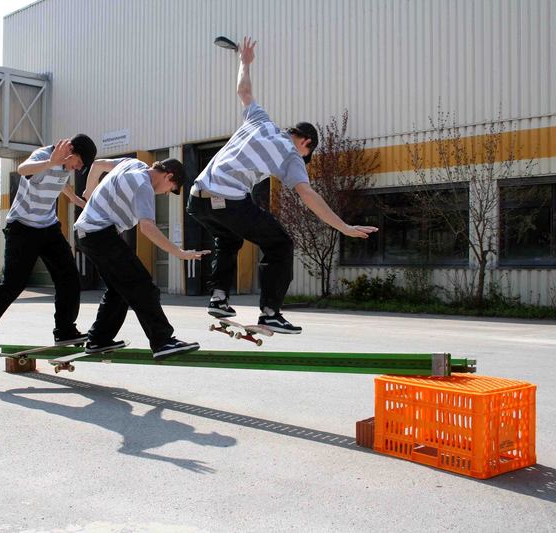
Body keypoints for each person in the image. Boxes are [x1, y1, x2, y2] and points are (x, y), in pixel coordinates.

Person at [187, 37, 378, 333]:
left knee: (228, 239)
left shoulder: (261, 119)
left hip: (198, 197)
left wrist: (245, 62)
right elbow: (308, 194)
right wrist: (343, 227)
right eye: (307, 154)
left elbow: (244, 90)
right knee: (280, 244)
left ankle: (219, 296)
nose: (304, 160)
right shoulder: (291, 154)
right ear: (306, 143)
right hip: (228, 199)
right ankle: (270, 312)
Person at [0, 135, 97, 348]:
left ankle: (65, 331)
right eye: (78, 163)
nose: (75, 168)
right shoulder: (44, 156)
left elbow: (60, 183)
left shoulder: (64, 165)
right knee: (13, 283)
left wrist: (76, 199)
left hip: (48, 226)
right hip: (22, 227)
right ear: (71, 150)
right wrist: (51, 162)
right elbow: (23, 170)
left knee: (69, 276)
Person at [76, 157, 209, 360]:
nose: (164, 193)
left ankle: (98, 340)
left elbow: (97, 164)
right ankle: (162, 341)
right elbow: (147, 227)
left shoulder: (132, 163)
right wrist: (180, 253)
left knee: (119, 289)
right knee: (142, 286)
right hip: (101, 235)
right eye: (169, 188)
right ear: (168, 175)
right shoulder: (143, 185)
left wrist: (88, 191)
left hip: (88, 233)